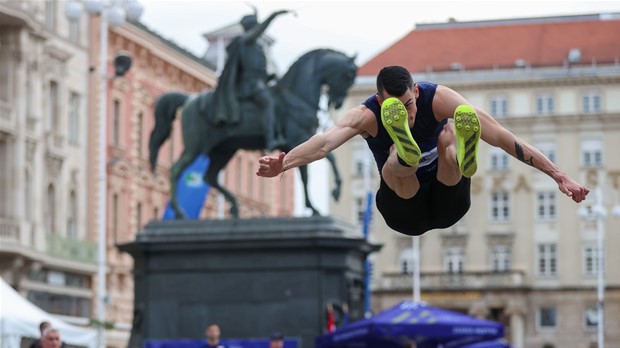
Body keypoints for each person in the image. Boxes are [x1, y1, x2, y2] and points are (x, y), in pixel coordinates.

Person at [257, 65, 589, 236]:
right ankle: (406, 153)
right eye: (396, 109)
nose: (409, 112)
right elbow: (325, 142)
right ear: (380, 101)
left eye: (409, 105)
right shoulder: (366, 115)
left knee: (449, 135)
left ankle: (457, 155)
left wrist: (559, 176)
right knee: (394, 166)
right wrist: (286, 163)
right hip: (404, 212)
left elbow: (502, 136)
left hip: (449, 202)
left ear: (417, 90)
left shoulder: (439, 98)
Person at [212, 9, 293, 150]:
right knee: (268, 103)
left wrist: (269, 77)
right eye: (256, 26)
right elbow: (249, 72)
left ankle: (279, 134)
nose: (258, 29)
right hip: (250, 85)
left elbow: (256, 69)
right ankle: (270, 139)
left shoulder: (256, 46)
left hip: (260, 82)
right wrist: (273, 15)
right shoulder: (245, 41)